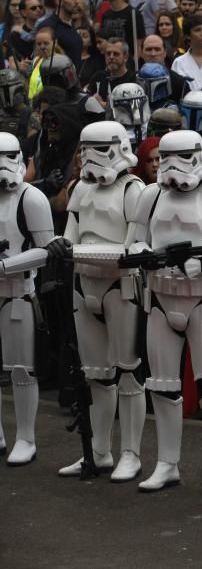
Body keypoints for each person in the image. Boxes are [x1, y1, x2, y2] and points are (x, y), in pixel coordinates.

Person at [128, 130, 202, 496]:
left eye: (181, 156)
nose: (172, 165)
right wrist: (144, 255)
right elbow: (134, 240)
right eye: (166, 157)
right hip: (160, 299)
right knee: (161, 386)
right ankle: (167, 463)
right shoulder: (151, 195)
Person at [52, 120, 147, 482]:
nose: (90, 157)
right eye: (85, 150)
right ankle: (99, 451)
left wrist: (77, 252)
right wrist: (61, 247)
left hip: (121, 286)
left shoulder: (134, 190)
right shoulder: (80, 188)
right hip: (85, 285)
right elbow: (70, 235)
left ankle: (131, 453)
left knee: (128, 372)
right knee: (96, 376)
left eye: (99, 149)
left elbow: (133, 248)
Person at [0, 133, 56, 465]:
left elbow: (47, 250)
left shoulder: (31, 198)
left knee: (22, 370)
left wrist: (6, 266)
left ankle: (25, 437)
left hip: (17, 291)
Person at [100, 0, 145, 64]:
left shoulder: (133, 13)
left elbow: (139, 44)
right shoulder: (106, 15)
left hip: (128, 63)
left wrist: (134, 64)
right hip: (110, 61)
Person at [37, 0, 84, 68]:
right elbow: (42, 57)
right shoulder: (48, 26)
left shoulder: (71, 24)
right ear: (59, 1)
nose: (77, 1)